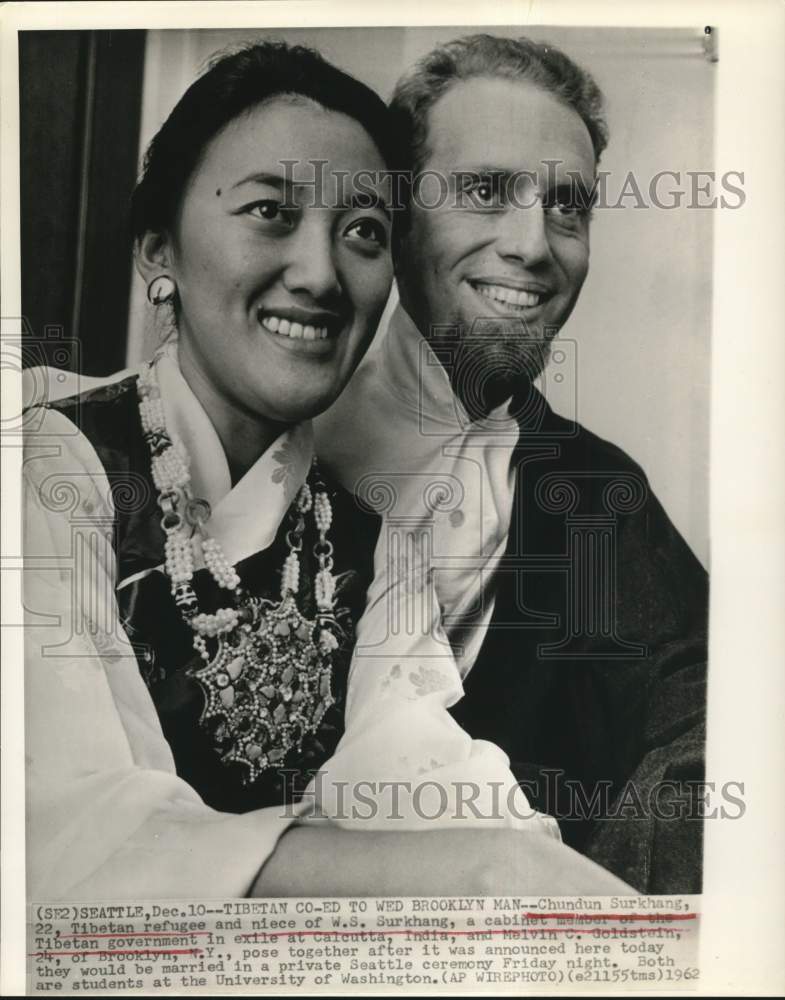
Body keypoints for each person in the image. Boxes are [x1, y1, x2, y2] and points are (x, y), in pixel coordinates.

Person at [23, 40, 632, 900]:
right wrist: (480, 871)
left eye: (362, 233)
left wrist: (529, 868)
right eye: (271, 211)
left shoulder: (368, 548)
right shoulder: (49, 472)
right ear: (158, 250)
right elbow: (60, 834)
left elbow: (420, 776)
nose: (318, 275)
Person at [315, 33, 709, 894]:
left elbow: (719, 712)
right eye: (486, 191)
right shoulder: (267, 432)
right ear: (395, 211)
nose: (533, 244)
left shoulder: (597, 493)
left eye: (567, 206)